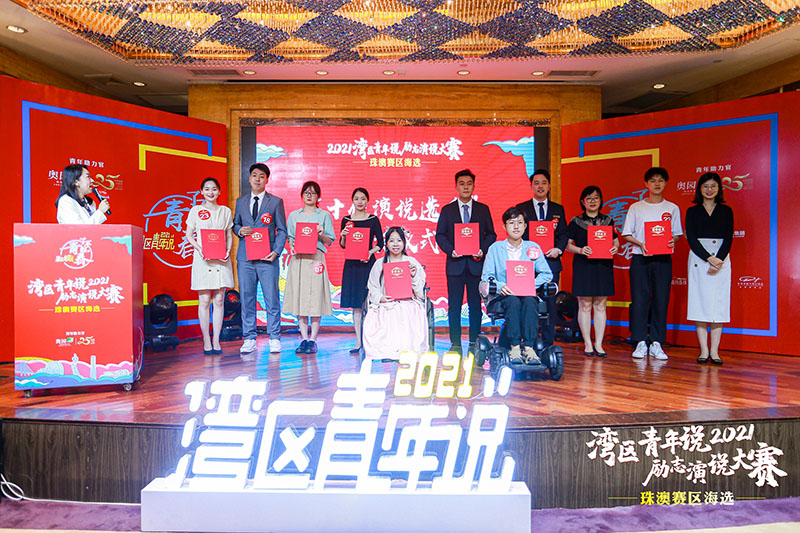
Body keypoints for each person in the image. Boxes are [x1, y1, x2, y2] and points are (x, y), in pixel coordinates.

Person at [621, 167, 683, 361]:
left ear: (666, 183)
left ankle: (657, 342)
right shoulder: (636, 207)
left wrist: (672, 240)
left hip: (663, 259)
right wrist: (641, 243)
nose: (657, 184)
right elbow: (626, 233)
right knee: (639, 299)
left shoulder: (672, 208)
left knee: (661, 299)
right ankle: (639, 341)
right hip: (640, 257)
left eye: (660, 180)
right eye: (653, 180)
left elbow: (677, 234)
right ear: (646, 184)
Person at [435, 169, 496, 355]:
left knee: (475, 306)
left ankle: (474, 342)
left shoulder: (483, 209)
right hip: (455, 265)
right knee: (454, 306)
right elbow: (440, 235)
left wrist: (482, 249)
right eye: (462, 184)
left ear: (474, 186)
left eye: (469, 183)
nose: (466, 187)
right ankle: (455, 344)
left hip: (476, 265)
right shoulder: (447, 210)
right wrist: (451, 250)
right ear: (456, 186)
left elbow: (491, 234)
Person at [480, 207, 553, 364]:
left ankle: (529, 348)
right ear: (504, 226)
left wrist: (531, 284)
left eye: (520, 223)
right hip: (503, 295)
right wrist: (500, 286)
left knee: (530, 301)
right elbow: (486, 276)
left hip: (526, 293)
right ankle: (514, 347)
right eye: (511, 223)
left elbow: (547, 274)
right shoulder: (495, 248)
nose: (516, 226)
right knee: (513, 301)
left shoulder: (533, 248)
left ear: (525, 226)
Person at [233, 163, 287, 356]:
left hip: (267, 258)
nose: (257, 179)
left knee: (271, 298)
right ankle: (249, 338)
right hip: (245, 258)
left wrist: (276, 251)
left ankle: (274, 337)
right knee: (247, 298)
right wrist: (240, 230)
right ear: (249, 178)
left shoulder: (275, 202)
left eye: (261, 176)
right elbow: (235, 224)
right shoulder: (241, 202)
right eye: (254, 175)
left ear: (267, 180)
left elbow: (282, 230)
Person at [514, 169, 567, 347]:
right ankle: (527, 341)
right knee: (527, 302)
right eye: (536, 183)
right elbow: (517, 234)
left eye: (544, 183)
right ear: (531, 186)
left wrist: (558, 249)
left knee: (550, 305)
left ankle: (547, 343)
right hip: (527, 265)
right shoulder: (522, 208)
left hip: (551, 263)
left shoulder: (558, 209)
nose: (540, 186)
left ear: (549, 185)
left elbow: (563, 234)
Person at [565, 186, 620, 358]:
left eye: (596, 198)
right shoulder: (576, 221)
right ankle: (588, 343)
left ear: (601, 200)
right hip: (584, 265)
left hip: (603, 266)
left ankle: (599, 344)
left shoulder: (608, 220)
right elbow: (567, 245)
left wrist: (615, 248)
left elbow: (616, 241)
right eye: (588, 198)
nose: (592, 201)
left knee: (601, 305)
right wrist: (581, 250)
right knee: (585, 304)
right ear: (583, 202)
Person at [685, 172, 733, 365]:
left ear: (719, 188)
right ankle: (704, 350)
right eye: (705, 186)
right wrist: (709, 259)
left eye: (713, 186)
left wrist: (718, 260)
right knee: (700, 304)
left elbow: (728, 238)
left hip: (721, 258)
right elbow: (691, 239)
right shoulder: (692, 211)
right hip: (699, 258)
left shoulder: (726, 211)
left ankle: (715, 351)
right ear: (699, 189)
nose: (709, 189)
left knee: (718, 305)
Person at [283, 181, 335, 355]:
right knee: (300, 297)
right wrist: (292, 246)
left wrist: (322, 234)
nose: (309, 195)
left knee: (315, 298)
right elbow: (290, 238)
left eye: (313, 193)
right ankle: (304, 339)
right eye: (306, 192)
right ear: (302, 195)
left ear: (318, 196)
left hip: (316, 259)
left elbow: (330, 241)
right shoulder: (294, 216)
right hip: (299, 259)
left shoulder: (324, 215)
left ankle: (313, 340)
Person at [184, 178, 234, 355]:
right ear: (201, 191)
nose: (210, 192)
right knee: (204, 300)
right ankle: (206, 339)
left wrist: (228, 250)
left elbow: (229, 235)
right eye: (207, 189)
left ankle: (216, 340)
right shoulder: (196, 211)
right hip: (203, 259)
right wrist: (199, 248)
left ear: (219, 191)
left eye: (214, 189)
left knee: (219, 300)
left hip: (221, 259)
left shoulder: (225, 211)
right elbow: (189, 234)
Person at [362, 227, 428, 360]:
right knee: (388, 312)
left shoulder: (412, 262)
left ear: (404, 243)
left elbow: (420, 293)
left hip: (408, 302)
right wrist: (381, 298)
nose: (395, 244)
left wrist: (414, 276)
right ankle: (388, 352)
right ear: (386, 244)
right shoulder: (379, 264)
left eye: (399, 240)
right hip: (386, 303)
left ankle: (406, 351)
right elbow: (372, 286)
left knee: (405, 311)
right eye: (392, 241)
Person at [339, 188, 383, 354]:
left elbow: (381, 243)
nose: (360, 202)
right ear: (352, 200)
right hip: (352, 266)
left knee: (370, 303)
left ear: (367, 201)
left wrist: (369, 253)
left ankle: (371, 341)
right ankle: (358, 341)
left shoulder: (373, 219)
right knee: (356, 305)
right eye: (357, 198)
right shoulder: (346, 220)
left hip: (367, 264)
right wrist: (343, 235)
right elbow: (343, 245)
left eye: (363, 198)